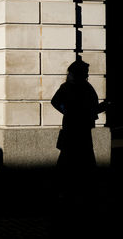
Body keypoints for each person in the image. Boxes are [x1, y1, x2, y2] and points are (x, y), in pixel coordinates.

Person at [51, 57, 108, 200]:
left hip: (77, 127)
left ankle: (69, 189)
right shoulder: (77, 87)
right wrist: (68, 111)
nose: (88, 74)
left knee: (72, 159)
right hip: (77, 128)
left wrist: (67, 111)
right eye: (86, 72)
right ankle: (72, 189)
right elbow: (57, 102)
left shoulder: (75, 86)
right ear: (80, 73)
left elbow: (56, 102)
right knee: (77, 159)